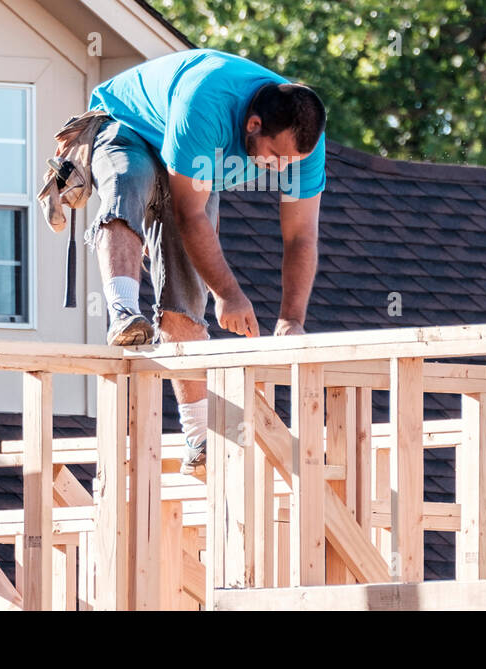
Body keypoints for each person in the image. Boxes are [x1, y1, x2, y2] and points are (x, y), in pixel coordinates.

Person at [84, 47, 326, 473]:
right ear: (253, 125)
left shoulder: (303, 141)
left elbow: (302, 237)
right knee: (130, 180)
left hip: (194, 162)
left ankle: (199, 438)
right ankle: (123, 312)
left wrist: (292, 318)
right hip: (129, 125)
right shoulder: (207, 102)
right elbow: (189, 214)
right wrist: (230, 295)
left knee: (187, 284)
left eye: (291, 163)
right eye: (275, 157)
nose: (281, 170)